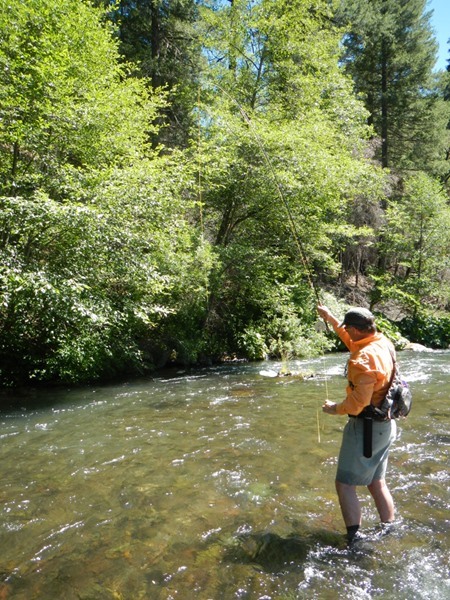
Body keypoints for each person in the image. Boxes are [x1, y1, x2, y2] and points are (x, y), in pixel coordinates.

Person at [317, 304, 397, 543]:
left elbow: (357, 404)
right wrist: (331, 319)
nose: (346, 332)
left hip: (366, 430)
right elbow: (353, 343)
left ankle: (354, 539)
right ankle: (389, 528)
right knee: (375, 480)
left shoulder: (362, 360)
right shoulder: (382, 343)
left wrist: (335, 409)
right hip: (387, 425)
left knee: (344, 484)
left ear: (355, 329)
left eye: (347, 328)